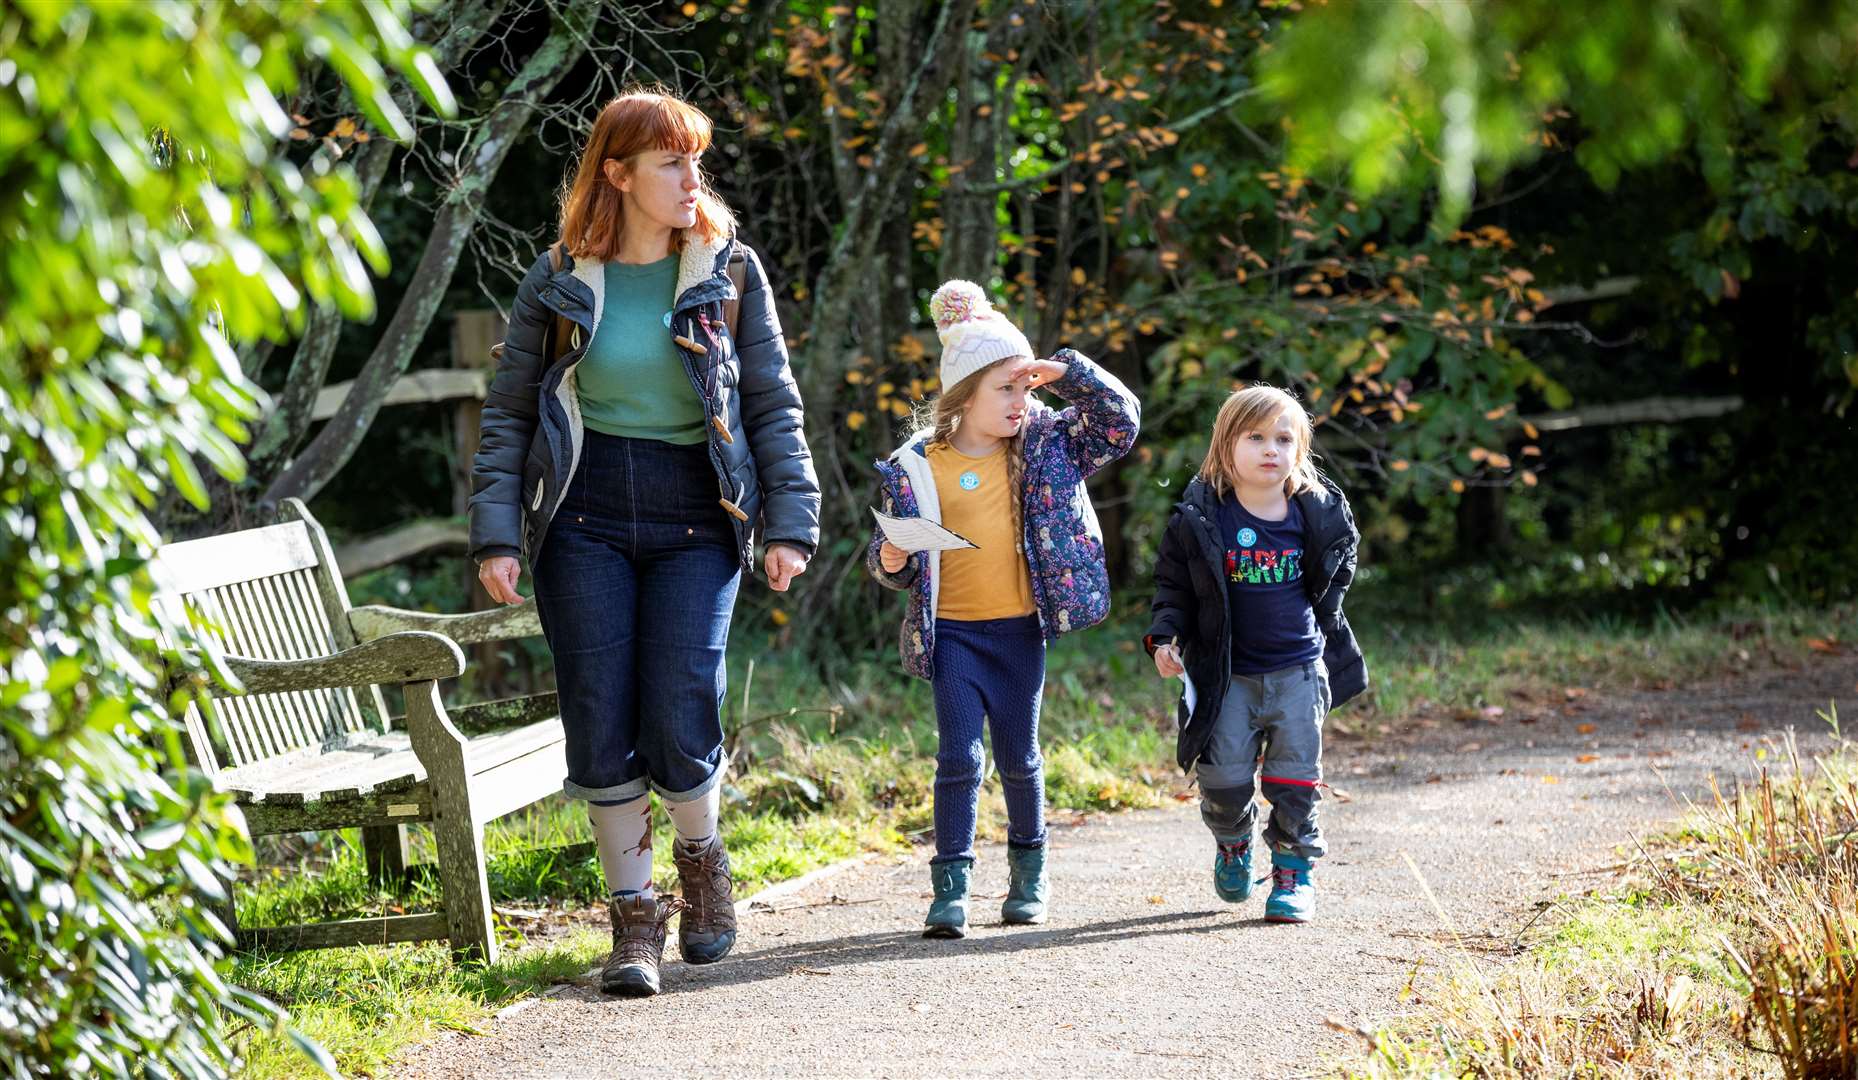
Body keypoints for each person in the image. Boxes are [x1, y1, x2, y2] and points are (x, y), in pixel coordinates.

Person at [468, 89, 820, 996]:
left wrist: (790, 521)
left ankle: (701, 865)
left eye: (695, 160)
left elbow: (771, 403)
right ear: (617, 175)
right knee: (598, 708)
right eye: (671, 163)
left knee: (680, 697)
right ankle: (633, 922)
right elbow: (510, 415)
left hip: (697, 516)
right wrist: (497, 535)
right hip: (580, 518)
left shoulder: (727, 271)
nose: (691, 180)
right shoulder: (556, 280)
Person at [867, 279, 1139, 937]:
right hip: (953, 634)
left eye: (1026, 388)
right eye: (1005, 389)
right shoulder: (917, 464)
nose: (1021, 402)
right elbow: (885, 552)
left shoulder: (1049, 445)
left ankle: (1028, 877)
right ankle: (951, 888)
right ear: (963, 397)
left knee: (1020, 758)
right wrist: (892, 560)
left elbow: (1119, 421)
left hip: (1019, 632)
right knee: (958, 756)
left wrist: (1066, 372)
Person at [1145, 385, 1366, 923]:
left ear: (1300, 450)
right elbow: (1171, 587)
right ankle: (1233, 840)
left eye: (1285, 439)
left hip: (1298, 670)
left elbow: (1335, 571)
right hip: (1227, 678)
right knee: (1223, 782)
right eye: (1257, 437)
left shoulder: (1313, 514)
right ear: (1226, 447)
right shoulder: (1201, 521)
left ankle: (1293, 873)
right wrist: (1165, 637)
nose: (1272, 448)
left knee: (1295, 780)